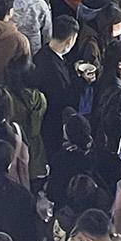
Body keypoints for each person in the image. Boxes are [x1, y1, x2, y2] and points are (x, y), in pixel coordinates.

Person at [31, 15, 81, 152]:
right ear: (70, 40)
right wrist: (82, 81)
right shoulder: (55, 71)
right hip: (53, 121)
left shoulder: (41, 54)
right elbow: (66, 98)